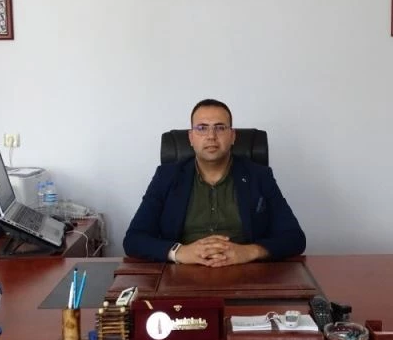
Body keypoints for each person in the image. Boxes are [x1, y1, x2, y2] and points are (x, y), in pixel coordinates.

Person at [124, 99, 306, 266]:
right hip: (182, 273)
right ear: (191, 137)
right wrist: (179, 252)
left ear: (232, 136)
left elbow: (294, 238)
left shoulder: (259, 175)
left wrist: (249, 251)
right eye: (202, 128)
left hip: (244, 272)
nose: (211, 136)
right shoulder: (167, 176)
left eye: (220, 128)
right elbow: (134, 239)